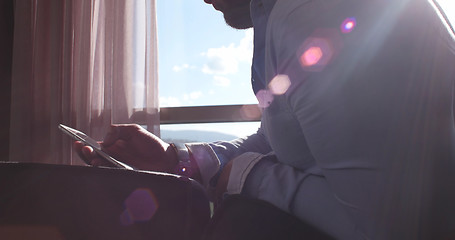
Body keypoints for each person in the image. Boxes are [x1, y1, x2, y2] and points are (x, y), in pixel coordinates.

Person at [75, 0, 455, 239]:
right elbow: (277, 137)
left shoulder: (307, 15)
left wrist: (247, 178)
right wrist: (177, 161)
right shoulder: (277, 16)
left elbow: (389, 229)